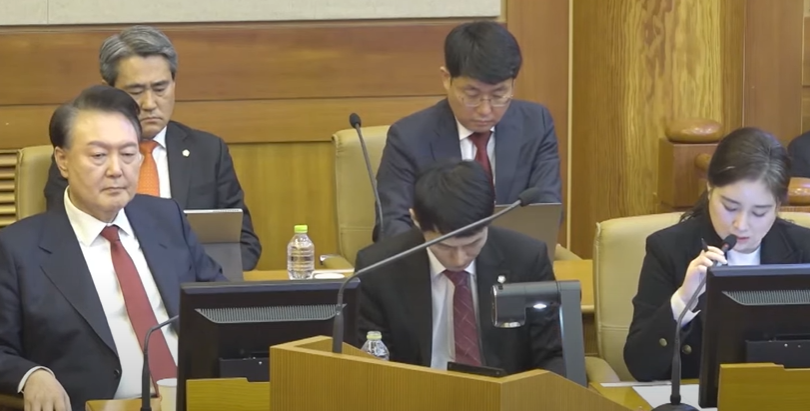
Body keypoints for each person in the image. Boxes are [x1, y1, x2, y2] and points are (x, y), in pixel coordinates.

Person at [0, 85, 227, 411]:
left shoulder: (167, 218)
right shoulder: (17, 249)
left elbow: (221, 305)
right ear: (62, 161)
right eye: (98, 156)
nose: (116, 169)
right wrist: (31, 375)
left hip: (200, 399)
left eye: (128, 154)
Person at [42, 25, 262, 271]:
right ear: (109, 90)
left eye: (160, 89)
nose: (149, 103)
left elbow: (244, 246)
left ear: (174, 84)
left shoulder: (209, 151)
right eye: (135, 91)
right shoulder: (79, 156)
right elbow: (60, 241)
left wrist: (179, 277)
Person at [624, 127, 810, 381]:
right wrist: (683, 299)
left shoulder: (804, 248)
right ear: (710, 188)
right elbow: (640, 366)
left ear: (778, 206)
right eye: (730, 207)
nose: (741, 225)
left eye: (759, 212)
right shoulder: (669, 248)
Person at [355, 159, 565, 375]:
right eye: (444, 246)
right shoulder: (378, 270)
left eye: (473, 243)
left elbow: (553, 354)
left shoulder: (526, 259)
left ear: (490, 218)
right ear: (416, 219)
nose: (459, 259)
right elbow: (371, 364)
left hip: (505, 391)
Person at [374, 20, 563, 241]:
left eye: (499, 95)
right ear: (447, 79)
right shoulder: (408, 137)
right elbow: (392, 224)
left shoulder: (536, 124)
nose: (485, 110)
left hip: (511, 259)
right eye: (472, 95)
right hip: (437, 259)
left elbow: (546, 209)